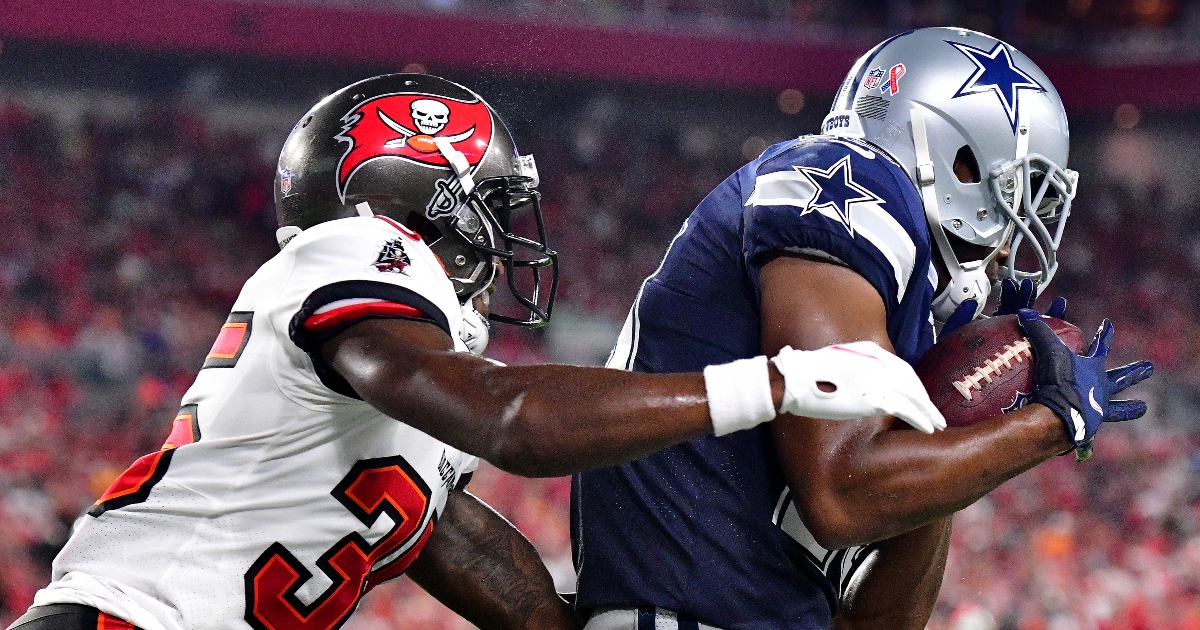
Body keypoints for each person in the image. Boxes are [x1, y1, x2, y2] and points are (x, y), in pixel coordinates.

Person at [10, 75, 946, 630]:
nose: (507, 236)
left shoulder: (398, 396)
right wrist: (769, 384)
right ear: (426, 195)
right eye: (492, 204)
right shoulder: (351, 254)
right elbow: (511, 419)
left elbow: (479, 565)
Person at [571, 27, 1154, 630]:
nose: (1012, 243)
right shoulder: (854, 179)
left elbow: (880, 623)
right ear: (956, 160)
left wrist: (952, 418)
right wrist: (1052, 423)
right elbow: (840, 495)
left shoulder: (897, 301)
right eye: (1015, 192)